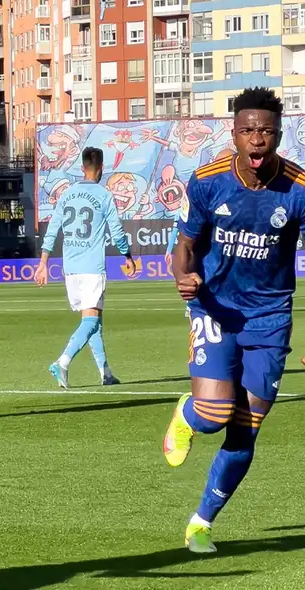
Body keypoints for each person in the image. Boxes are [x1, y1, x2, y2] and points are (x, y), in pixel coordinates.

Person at [162, 87, 305, 553]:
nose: (257, 139)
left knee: (246, 428)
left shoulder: (299, 189)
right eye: (248, 130)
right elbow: (184, 246)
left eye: (266, 130)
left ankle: (201, 521)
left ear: (279, 135)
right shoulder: (207, 181)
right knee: (212, 417)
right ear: (235, 134)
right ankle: (187, 414)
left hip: (270, 317)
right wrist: (185, 276)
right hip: (215, 308)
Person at [35, 147, 135, 388]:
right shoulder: (103, 195)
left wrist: (43, 263)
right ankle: (63, 362)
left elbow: (52, 230)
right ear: (101, 169)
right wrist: (127, 256)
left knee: (93, 320)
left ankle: (105, 372)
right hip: (92, 266)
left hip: (71, 268)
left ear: (82, 168)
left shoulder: (67, 194)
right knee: (90, 321)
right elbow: (117, 230)